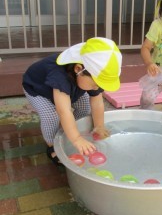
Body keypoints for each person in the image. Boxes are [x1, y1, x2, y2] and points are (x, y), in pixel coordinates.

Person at [22, 37, 122, 166]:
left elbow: (97, 102)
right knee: (51, 115)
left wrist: (99, 126)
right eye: (94, 84)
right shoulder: (59, 76)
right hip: (38, 90)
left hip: (71, 88)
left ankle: (71, 129)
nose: (97, 88)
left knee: (84, 108)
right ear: (78, 69)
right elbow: (64, 111)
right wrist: (76, 139)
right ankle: (53, 145)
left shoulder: (92, 74)